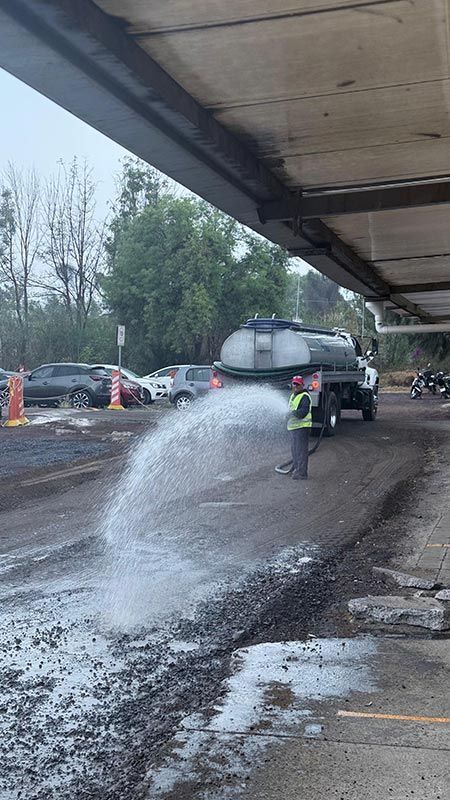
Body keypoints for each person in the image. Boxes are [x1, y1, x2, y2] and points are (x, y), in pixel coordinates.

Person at [287, 375, 312, 480]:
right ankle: (297, 469)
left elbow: (303, 412)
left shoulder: (305, 396)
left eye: (298, 384)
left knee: (301, 451)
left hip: (302, 428)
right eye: (294, 384)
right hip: (294, 428)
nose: (296, 386)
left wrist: (292, 414)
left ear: (302, 385)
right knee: (295, 450)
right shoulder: (293, 396)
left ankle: (302, 473)